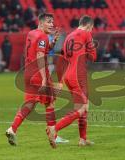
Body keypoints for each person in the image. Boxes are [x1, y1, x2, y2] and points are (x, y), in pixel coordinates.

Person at [5, 13, 60, 148]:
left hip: (27, 73)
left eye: (52, 22)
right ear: (41, 23)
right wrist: (43, 79)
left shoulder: (31, 33)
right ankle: (53, 136)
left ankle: (12, 129)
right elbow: (40, 55)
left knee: (29, 104)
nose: (52, 24)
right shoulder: (42, 36)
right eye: (48, 22)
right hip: (38, 73)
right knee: (50, 103)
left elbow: (41, 49)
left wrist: (52, 43)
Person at [54, 15, 97, 147]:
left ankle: (82, 139)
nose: (91, 31)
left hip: (69, 75)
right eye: (91, 29)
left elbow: (63, 59)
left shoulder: (68, 37)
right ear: (89, 26)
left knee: (84, 107)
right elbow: (93, 57)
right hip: (78, 76)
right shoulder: (86, 34)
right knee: (81, 108)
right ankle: (53, 130)